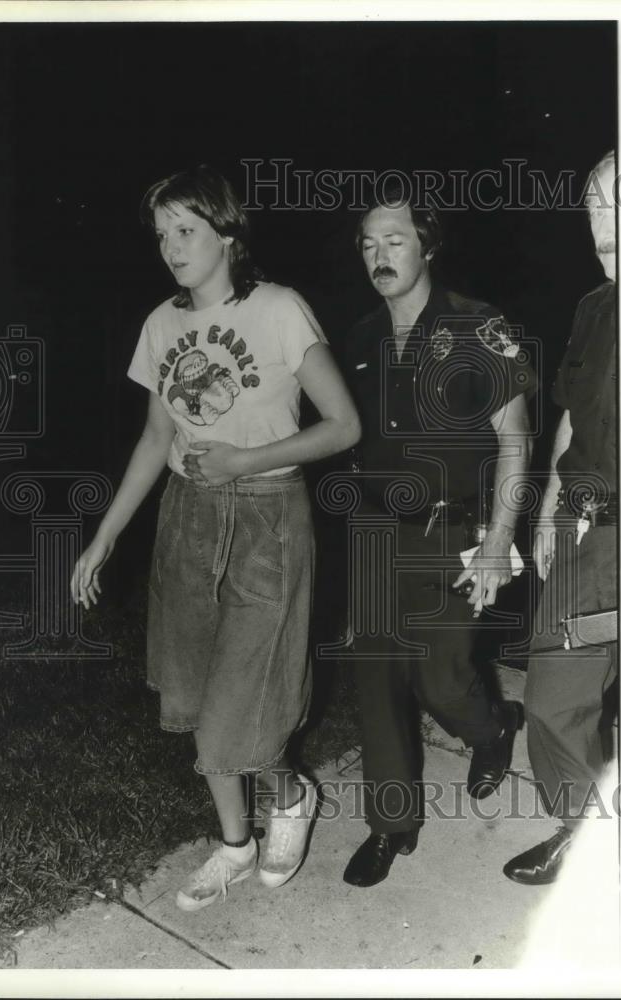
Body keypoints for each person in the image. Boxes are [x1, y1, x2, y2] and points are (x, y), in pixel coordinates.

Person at [70, 165, 360, 910]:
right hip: (187, 519)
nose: (171, 246)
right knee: (199, 697)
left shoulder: (279, 309)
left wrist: (246, 458)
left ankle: (289, 797)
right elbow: (152, 439)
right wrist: (104, 537)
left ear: (227, 235)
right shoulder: (161, 325)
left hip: (268, 519)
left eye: (187, 229)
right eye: (163, 232)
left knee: (246, 699)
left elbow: (343, 426)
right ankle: (233, 844)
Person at [341, 182, 536, 887]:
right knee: (375, 682)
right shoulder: (360, 338)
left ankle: (493, 728)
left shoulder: (476, 326)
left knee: (441, 679)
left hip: (452, 531)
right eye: (367, 244)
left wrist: (496, 542)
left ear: (426, 244)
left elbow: (514, 440)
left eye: (394, 240)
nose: (379, 255)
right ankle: (392, 825)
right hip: (373, 533)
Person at [503, 151, 618, 885]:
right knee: (551, 697)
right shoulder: (591, 309)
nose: (600, 222)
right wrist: (545, 511)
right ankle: (583, 834)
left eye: (619, 203)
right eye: (592, 207)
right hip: (585, 527)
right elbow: (571, 418)